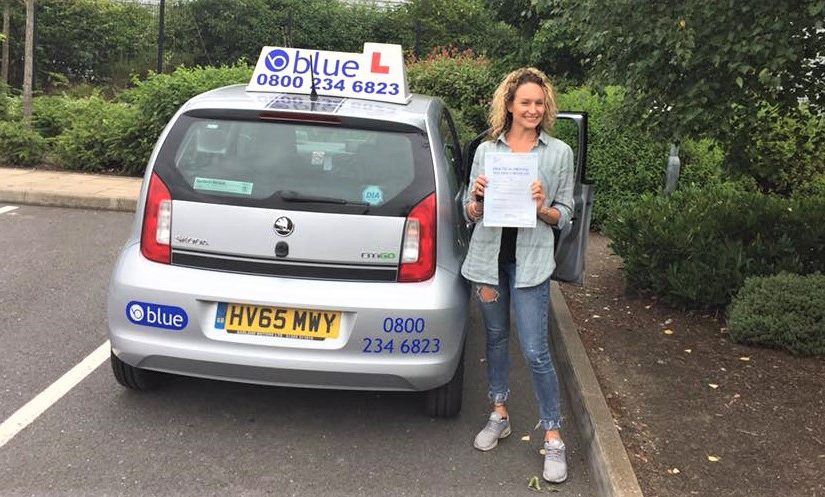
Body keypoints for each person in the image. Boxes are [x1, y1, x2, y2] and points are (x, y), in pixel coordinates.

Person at [461, 67, 574, 483]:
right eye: (525, 102)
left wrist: (544, 207)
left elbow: (566, 213)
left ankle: (553, 437)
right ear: (509, 104)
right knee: (495, 338)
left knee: (535, 350)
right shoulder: (487, 150)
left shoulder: (558, 152)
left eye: (539, 103)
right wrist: (476, 201)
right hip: (488, 261)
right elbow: (468, 208)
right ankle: (499, 412)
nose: (532, 109)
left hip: (530, 264)